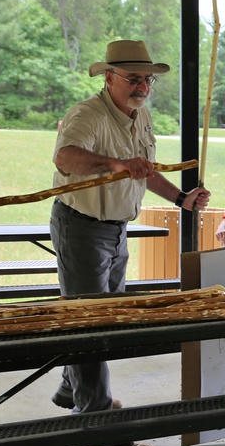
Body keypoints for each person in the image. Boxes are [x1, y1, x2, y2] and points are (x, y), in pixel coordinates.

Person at [50, 39, 211, 416]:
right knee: (90, 321)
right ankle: (94, 412)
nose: (142, 87)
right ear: (109, 77)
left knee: (110, 314)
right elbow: (66, 158)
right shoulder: (87, 115)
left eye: (148, 80)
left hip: (116, 229)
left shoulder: (142, 117)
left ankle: (70, 387)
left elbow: (144, 171)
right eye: (133, 79)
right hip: (81, 226)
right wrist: (117, 163)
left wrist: (181, 198)